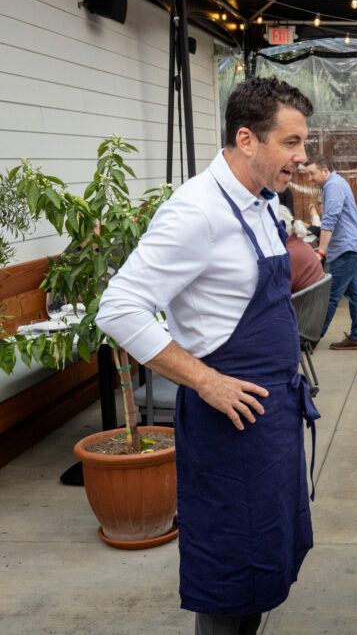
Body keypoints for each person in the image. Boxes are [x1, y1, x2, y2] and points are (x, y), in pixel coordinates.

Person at [96, 77, 319, 635]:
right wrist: (206, 382)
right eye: (291, 143)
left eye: (303, 143)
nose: (303, 156)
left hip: (271, 417)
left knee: (262, 561)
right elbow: (118, 308)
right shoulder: (195, 211)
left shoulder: (263, 203)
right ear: (247, 139)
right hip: (229, 425)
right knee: (227, 571)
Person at [304, 153, 357, 350]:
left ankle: (311, 340)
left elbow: (329, 220)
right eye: (307, 174)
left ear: (325, 171)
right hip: (350, 248)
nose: (309, 179)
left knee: (330, 297)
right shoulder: (335, 183)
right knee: (354, 294)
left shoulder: (333, 186)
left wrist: (320, 252)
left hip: (346, 249)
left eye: (312, 174)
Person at [278, 205, 324, 293]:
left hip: (300, 305)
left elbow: (280, 293)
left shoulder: (289, 254)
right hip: (312, 302)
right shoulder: (302, 245)